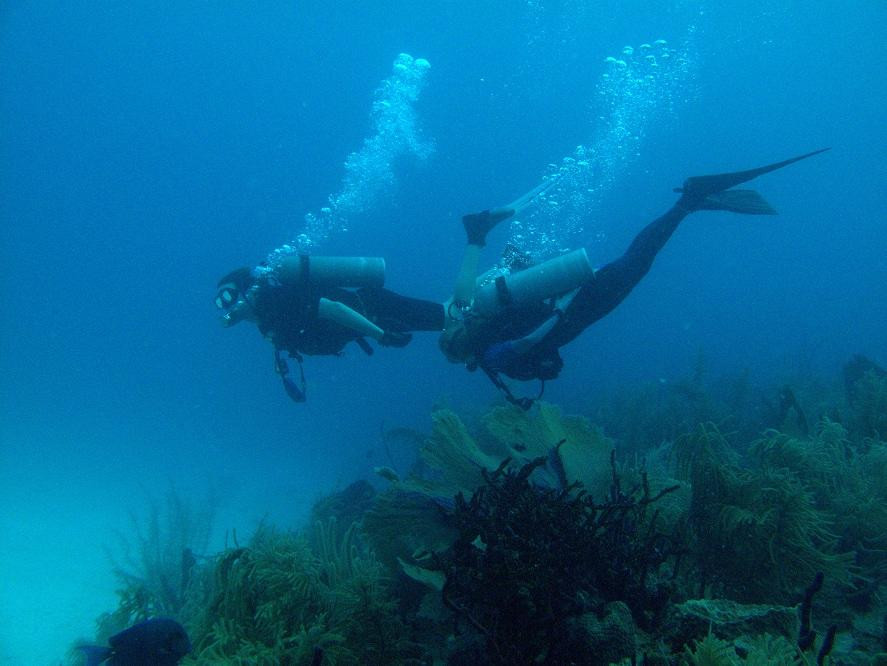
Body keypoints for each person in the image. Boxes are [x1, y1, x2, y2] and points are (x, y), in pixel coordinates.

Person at [440, 149, 830, 408]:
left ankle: (689, 200)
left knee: (638, 260)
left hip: (578, 305)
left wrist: (562, 313)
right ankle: (691, 205)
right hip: (572, 302)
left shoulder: (493, 355)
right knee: (638, 261)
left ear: (463, 352)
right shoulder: (487, 335)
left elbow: (532, 340)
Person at [216, 255, 444, 402]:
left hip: (377, 308)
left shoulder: (279, 300)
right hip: (372, 318)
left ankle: (475, 244)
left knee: (447, 318)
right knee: (446, 318)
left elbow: (332, 308)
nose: (226, 307)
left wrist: (380, 334)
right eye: (221, 303)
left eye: (228, 297)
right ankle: (474, 292)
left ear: (248, 292)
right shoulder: (265, 320)